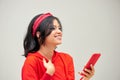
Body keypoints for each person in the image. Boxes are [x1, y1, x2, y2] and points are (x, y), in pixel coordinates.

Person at [21, 12, 95, 80]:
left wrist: (85, 78)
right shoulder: (31, 62)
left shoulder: (66, 59)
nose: (59, 31)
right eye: (52, 28)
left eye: (59, 28)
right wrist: (48, 73)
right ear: (39, 34)